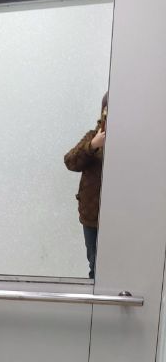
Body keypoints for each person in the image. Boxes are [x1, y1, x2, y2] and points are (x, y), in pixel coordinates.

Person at [64, 92, 108, 279]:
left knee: (120, 263)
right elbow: (70, 161)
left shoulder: (133, 141)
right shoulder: (93, 136)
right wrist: (93, 145)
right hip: (92, 216)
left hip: (123, 216)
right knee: (95, 264)